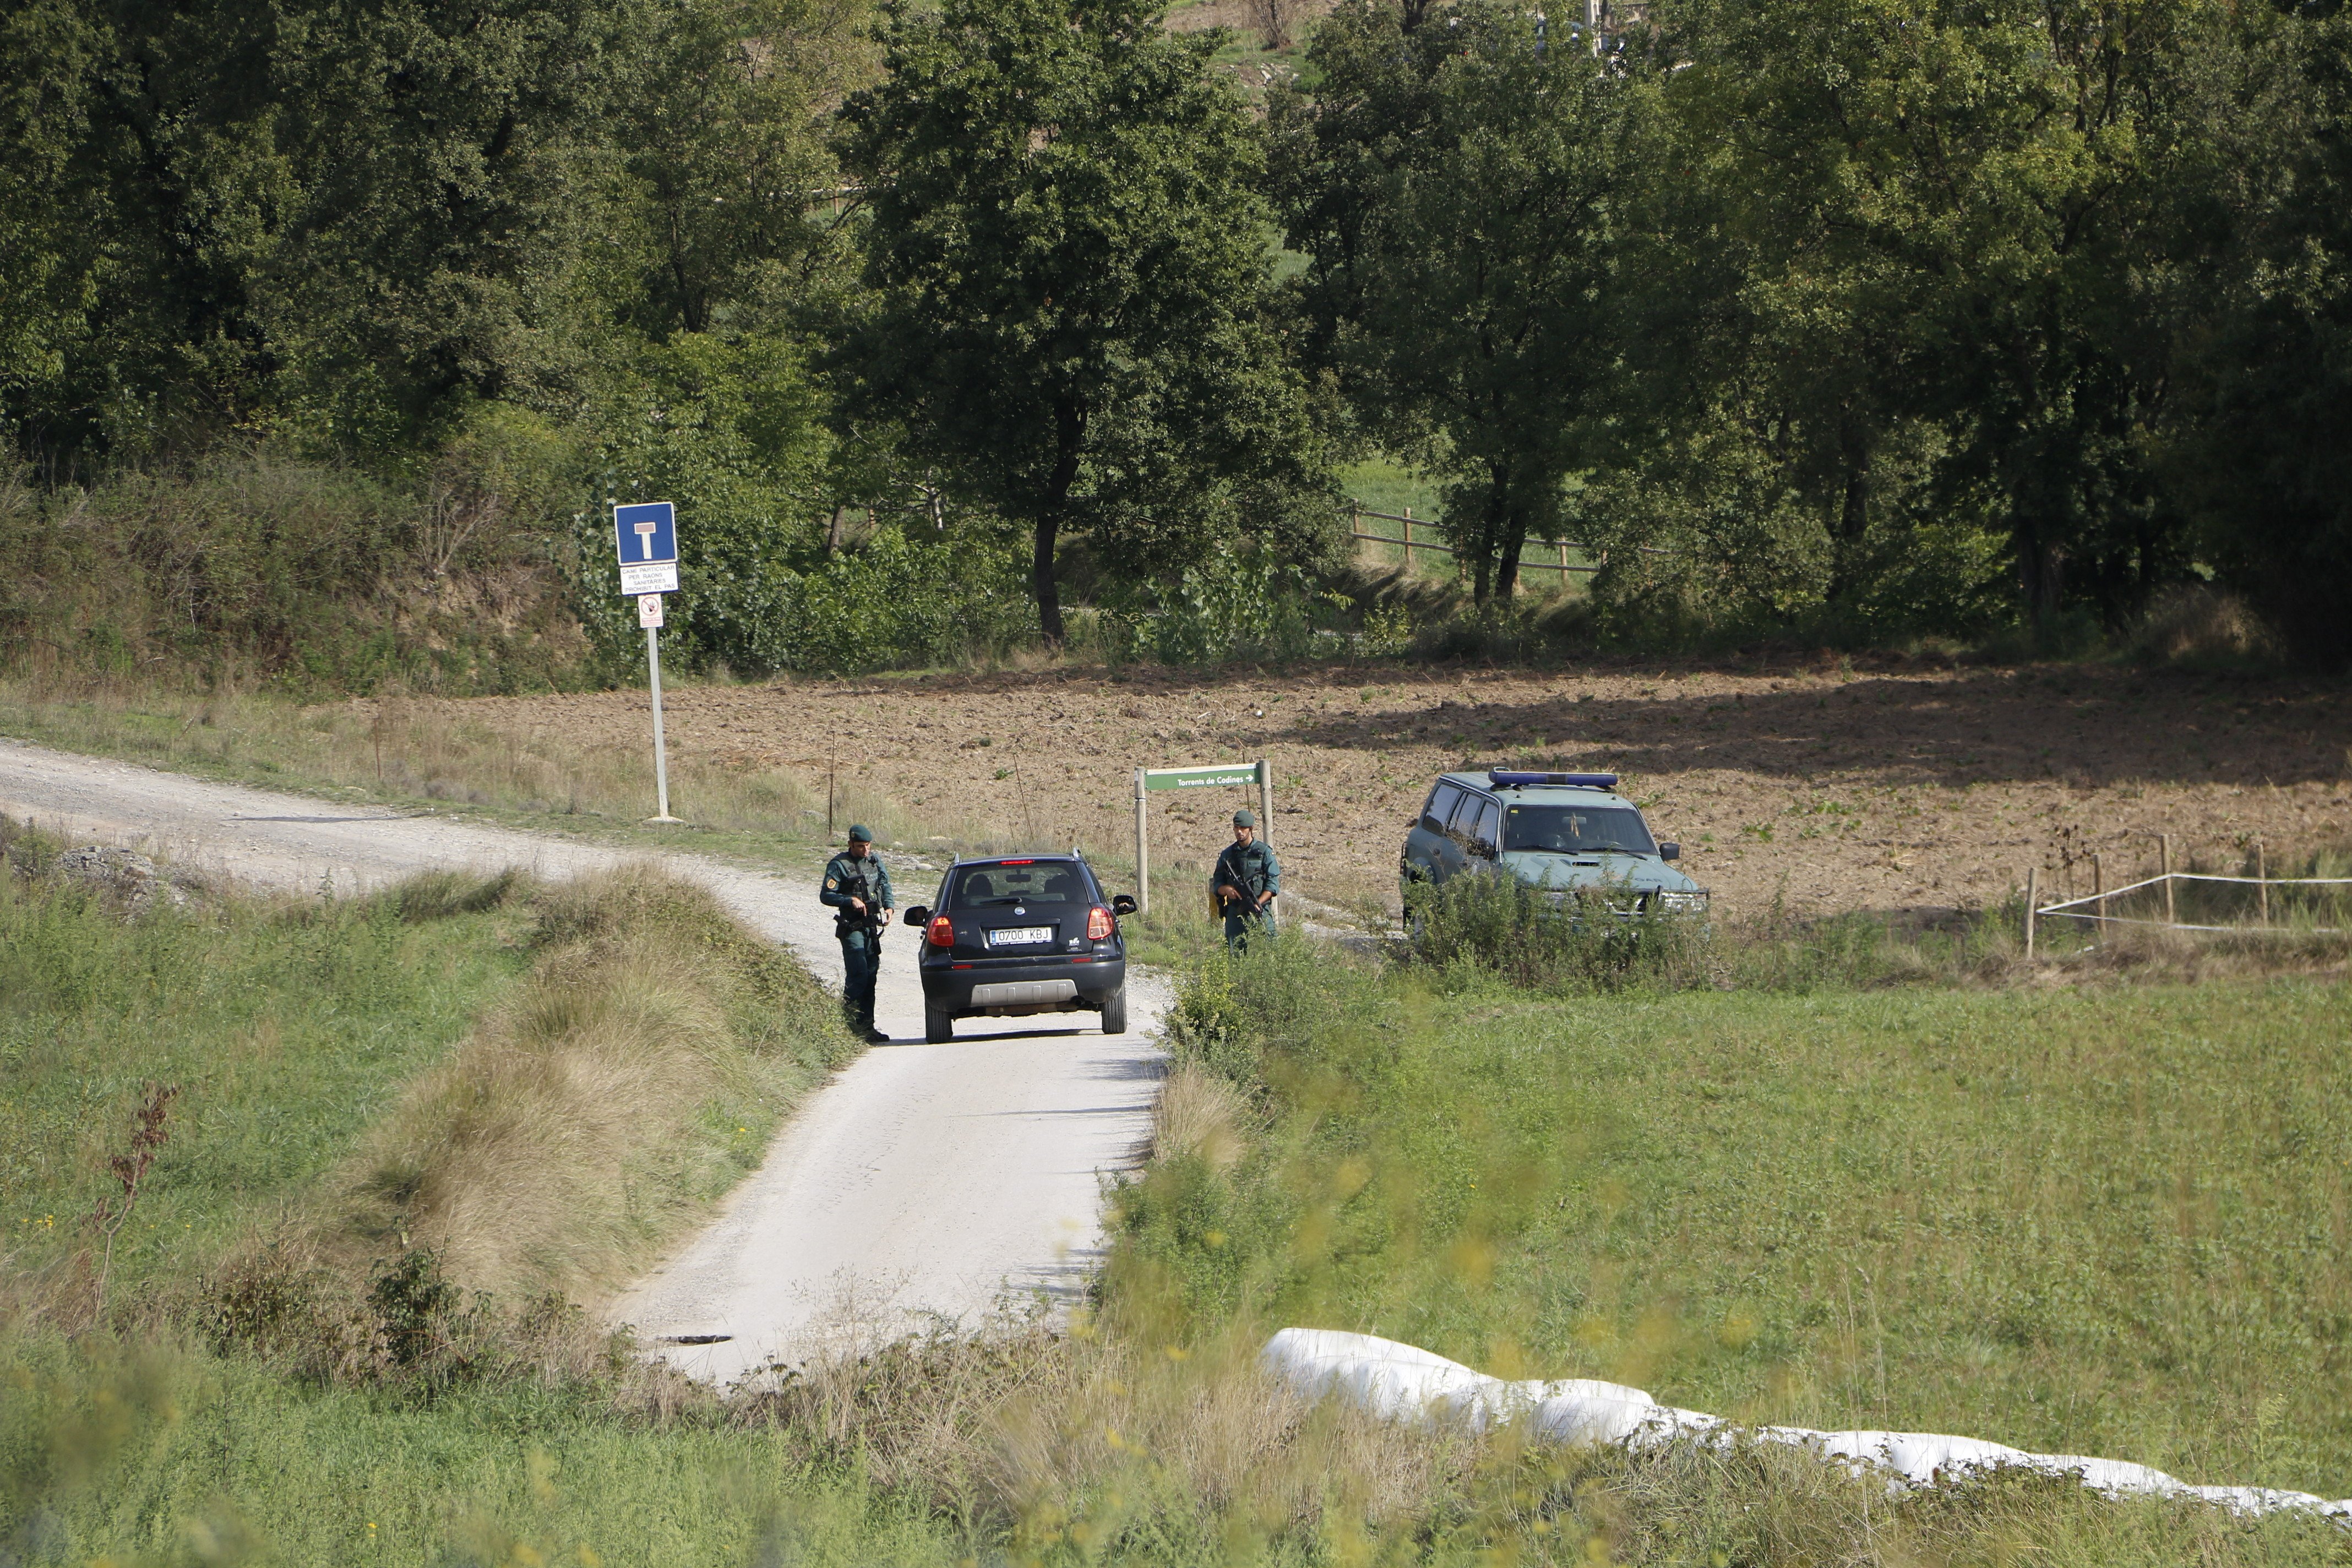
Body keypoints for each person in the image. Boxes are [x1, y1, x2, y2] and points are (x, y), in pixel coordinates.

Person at [821, 824, 894, 1042]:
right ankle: (846, 1027)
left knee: (871, 974)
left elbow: (885, 882)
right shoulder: (839, 865)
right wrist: (849, 900)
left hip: (871, 925)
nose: (865, 850)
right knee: (859, 975)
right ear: (851, 844)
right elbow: (826, 895)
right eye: (861, 846)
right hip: (852, 927)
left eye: (868, 845)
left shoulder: (874, 861)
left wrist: (889, 906)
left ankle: (867, 1027)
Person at [1211, 808, 1280, 952]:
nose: (1239, 832)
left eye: (1243, 828)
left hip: (1259, 909)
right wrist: (1226, 890)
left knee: (1271, 948)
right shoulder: (1227, 855)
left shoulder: (1264, 852)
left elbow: (1273, 884)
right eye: (1236, 828)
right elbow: (1217, 882)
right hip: (1235, 911)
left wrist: (1258, 903)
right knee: (1235, 952)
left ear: (1251, 829)